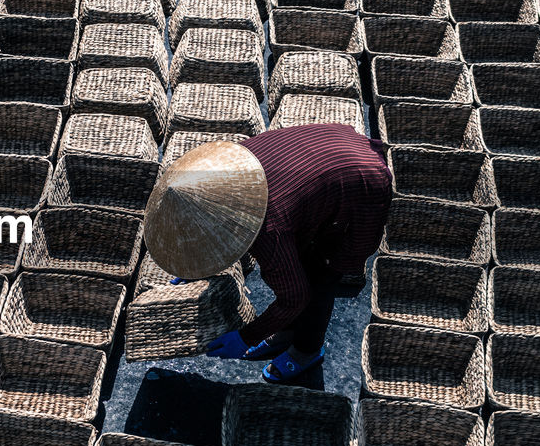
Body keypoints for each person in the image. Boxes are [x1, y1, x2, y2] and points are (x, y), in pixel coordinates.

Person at [142, 124, 392, 383]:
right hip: (327, 153)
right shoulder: (230, 168)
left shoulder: (268, 230)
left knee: (320, 276)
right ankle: (286, 331)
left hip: (362, 180)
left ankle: (306, 351)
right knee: (301, 259)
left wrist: (245, 337)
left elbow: (294, 298)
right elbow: (218, 233)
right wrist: (196, 267)